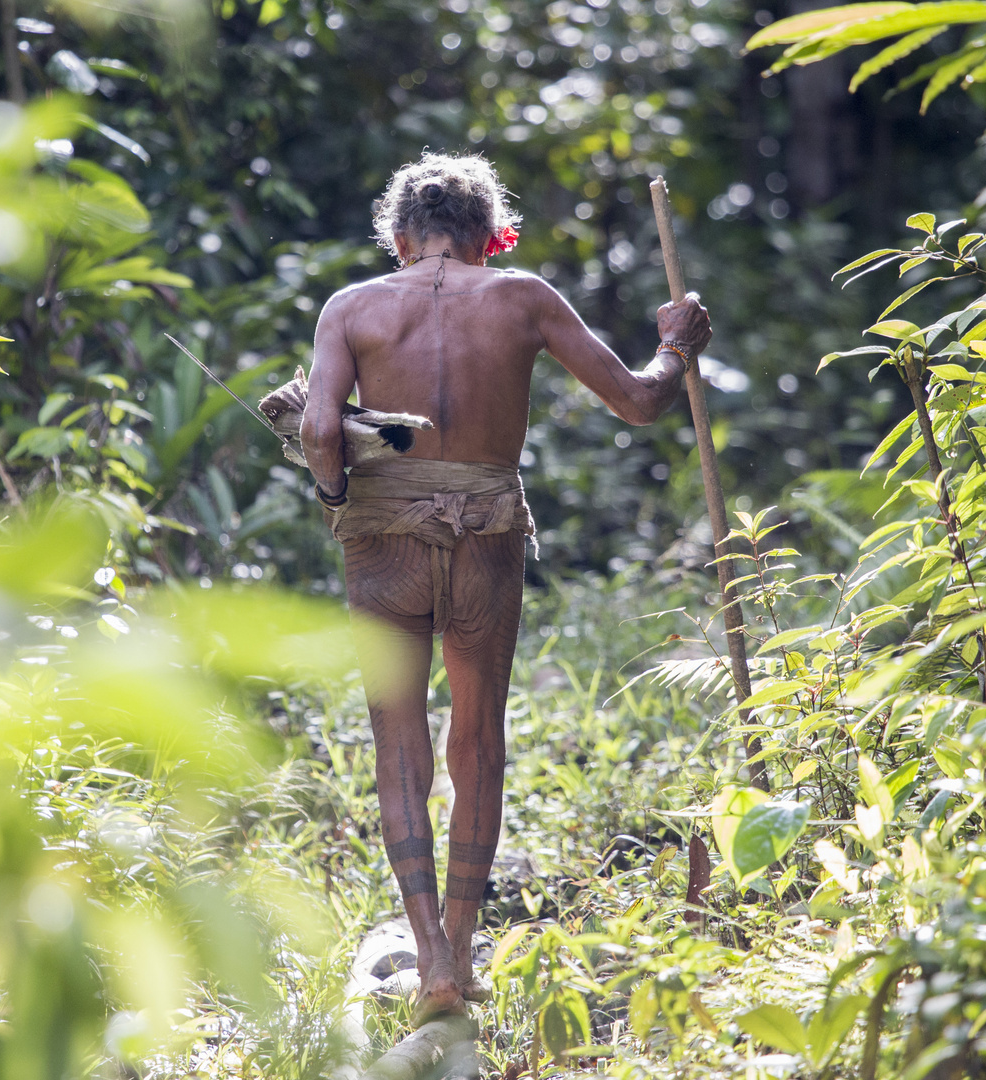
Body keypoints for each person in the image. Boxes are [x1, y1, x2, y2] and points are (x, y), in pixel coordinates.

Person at [300, 152, 712, 1020]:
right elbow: (639, 403)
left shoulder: (350, 308)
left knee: (398, 742)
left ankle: (433, 963)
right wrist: (677, 345)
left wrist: (338, 495)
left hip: (383, 540)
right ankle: (462, 948)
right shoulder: (522, 296)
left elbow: (317, 426)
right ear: (489, 237)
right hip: (487, 534)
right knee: (477, 736)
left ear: (402, 237)